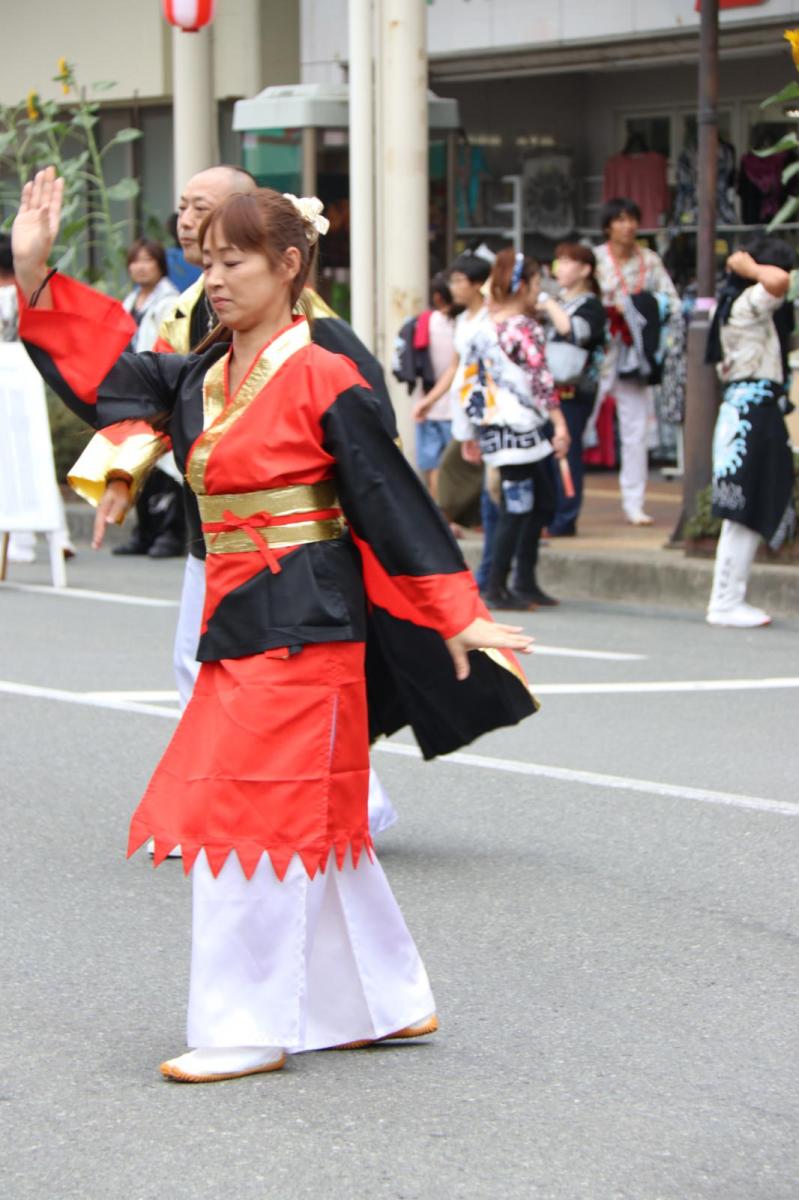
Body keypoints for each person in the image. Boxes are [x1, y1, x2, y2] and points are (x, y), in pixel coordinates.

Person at [14, 167, 536, 1082]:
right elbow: (117, 372)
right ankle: (384, 998)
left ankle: (243, 1024)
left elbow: (387, 496)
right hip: (240, 613)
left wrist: (457, 611)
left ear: (290, 264)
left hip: (303, 621)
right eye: (206, 260)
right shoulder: (209, 370)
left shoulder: (324, 370)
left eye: (236, 262)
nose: (214, 279)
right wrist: (36, 277)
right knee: (314, 819)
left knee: (245, 811)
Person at [67, 165, 400, 837]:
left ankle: (331, 807)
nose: (187, 221)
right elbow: (157, 393)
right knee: (210, 673)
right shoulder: (193, 308)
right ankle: (253, 814)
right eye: (186, 210)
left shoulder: (310, 331)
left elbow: (367, 434)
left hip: (294, 549)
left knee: (265, 683)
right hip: (217, 527)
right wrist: (124, 471)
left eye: (205, 210)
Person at [450, 249, 570, 610]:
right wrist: (560, 424)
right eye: (535, 284)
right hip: (520, 429)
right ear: (521, 285)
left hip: (500, 429)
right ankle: (499, 586)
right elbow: (542, 379)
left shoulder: (482, 326)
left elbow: (466, 382)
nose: (538, 291)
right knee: (519, 506)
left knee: (536, 502)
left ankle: (521, 581)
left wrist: (469, 431)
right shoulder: (523, 328)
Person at [705, 239, 796, 627]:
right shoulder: (745, 304)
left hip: (751, 412)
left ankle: (729, 598)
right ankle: (725, 601)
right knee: (741, 511)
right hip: (749, 416)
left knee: (746, 508)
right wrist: (749, 266)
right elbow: (777, 281)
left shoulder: (739, 307)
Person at [594, 198, 681, 526]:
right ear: (608, 226)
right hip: (600, 352)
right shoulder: (595, 259)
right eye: (620, 219)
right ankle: (562, 497)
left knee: (636, 430)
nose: (628, 226)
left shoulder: (650, 261)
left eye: (632, 219)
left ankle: (635, 501)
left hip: (636, 355)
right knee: (579, 420)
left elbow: (671, 301)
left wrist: (643, 307)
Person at [0, 232, 74, 564]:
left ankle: (19, 540)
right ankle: (59, 536)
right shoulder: (27, 294)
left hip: (9, 380)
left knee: (12, 462)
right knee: (37, 459)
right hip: (30, 381)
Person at [113, 239, 185, 559]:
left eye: (148, 260)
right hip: (132, 392)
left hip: (157, 391)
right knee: (137, 465)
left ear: (160, 265)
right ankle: (144, 531)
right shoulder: (129, 302)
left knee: (166, 467)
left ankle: (169, 533)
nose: (141, 266)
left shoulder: (172, 302)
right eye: (135, 260)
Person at [538, 243, 607, 537]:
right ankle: (549, 515)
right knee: (546, 454)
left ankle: (564, 519)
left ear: (585, 270)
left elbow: (573, 332)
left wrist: (549, 305)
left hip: (574, 392)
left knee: (565, 452)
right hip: (548, 391)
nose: (560, 269)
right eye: (558, 262)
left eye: (567, 262)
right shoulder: (556, 301)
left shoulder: (591, 305)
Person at [410, 273, 457, 499]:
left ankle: (441, 514)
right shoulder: (463, 324)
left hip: (427, 403)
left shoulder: (424, 323)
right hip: (457, 406)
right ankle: (454, 513)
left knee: (434, 466)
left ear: (437, 297)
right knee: (457, 467)